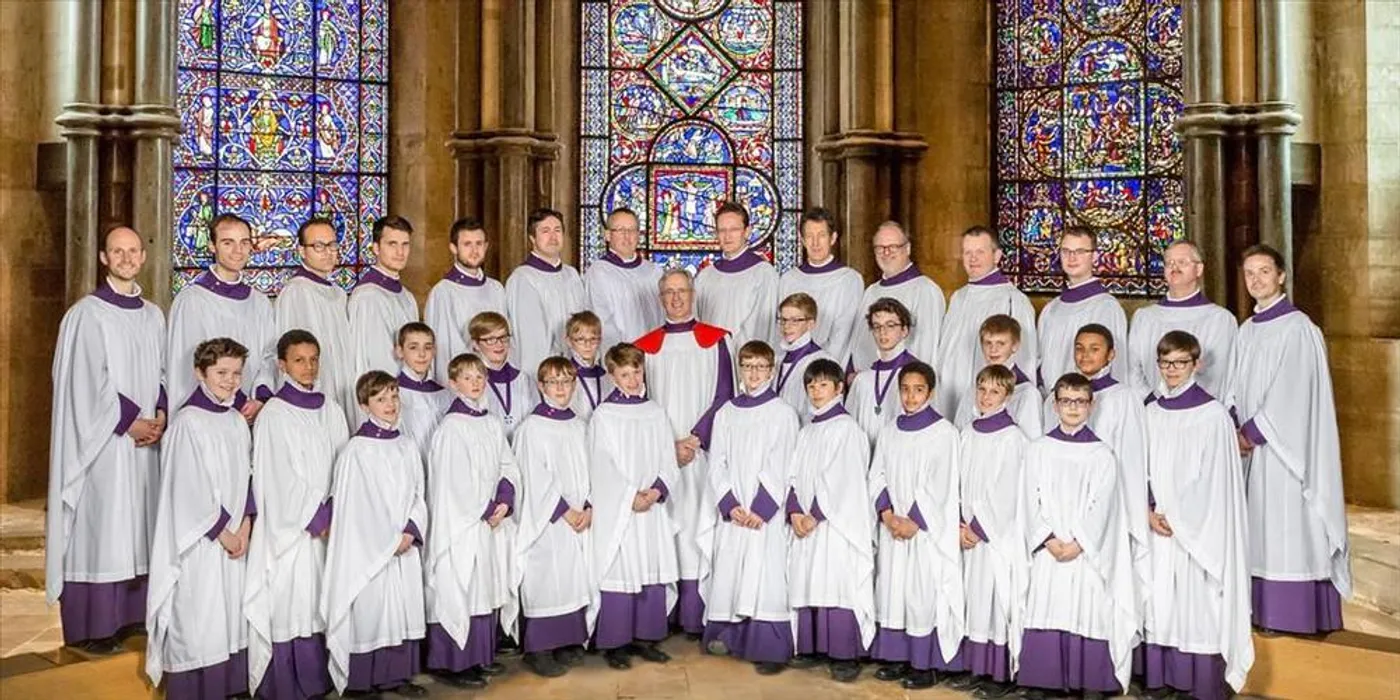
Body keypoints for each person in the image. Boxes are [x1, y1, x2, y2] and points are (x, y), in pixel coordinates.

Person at [47, 225, 167, 654]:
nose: (126, 258)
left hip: (145, 443)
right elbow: (83, 383)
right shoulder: (86, 314)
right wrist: (130, 421)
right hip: (103, 447)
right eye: (117, 251)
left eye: (133, 251)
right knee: (104, 527)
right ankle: (94, 625)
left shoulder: (154, 314)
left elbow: (162, 373)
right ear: (103, 258)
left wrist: (161, 415)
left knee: (139, 526)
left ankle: (133, 617)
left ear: (143, 256)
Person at [1229, 244, 1350, 634]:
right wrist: (1233, 420)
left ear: (1281, 276)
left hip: (1285, 453)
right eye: (1249, 273)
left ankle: (1295, 617)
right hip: (1251, 452)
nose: (1256, 280)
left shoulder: (1299, 327)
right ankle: (1261, 614)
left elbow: (1294, 393)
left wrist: (1251, 432)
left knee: (1288, 529)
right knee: (1259, 530)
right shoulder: (1247, 330)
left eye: (1264, 271)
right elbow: (1233, 384)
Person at [1142, 331, 1254, 700]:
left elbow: (1217, 480)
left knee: (1198, 602)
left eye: (1179, 363)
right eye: (1165, 363)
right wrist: (1147, 508)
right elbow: (1139, 466)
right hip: (1157, 521)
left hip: (1197, 529)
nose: (1172, 370)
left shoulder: (1213, 415)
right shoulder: (1151, 412)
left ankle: (1200, 683)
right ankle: (1163, 680)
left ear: (1196, 364)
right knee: (1160, 601)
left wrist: (1180, 516)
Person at [145, 338, 255, 699]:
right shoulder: (187, 422)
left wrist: (246, 526)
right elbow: (185, 488)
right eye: (221, 373)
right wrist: (223, 531)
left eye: (237, 373)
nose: (230, 381)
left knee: (229, 615)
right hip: (202, 542)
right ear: (199, 373)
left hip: (236, 537)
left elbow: (248, 476)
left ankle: (230, 687)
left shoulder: (238, 422)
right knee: (200, 616)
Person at [1017, 373, 1137, 700]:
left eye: (1079, 401)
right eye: (1066, 401)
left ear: (1091, 404)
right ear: (1054, 405)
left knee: (1089, 609)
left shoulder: (1102, 454)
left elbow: (1104, 505)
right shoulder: (1039, 449)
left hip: (1085, 552)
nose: (1072, 407)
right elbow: (1029, 497)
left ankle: (1091, 681)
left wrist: (1079, 542)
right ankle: (1045, 680)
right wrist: (1047, 538)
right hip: (1049, 548)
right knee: (1047, 605)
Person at [244, 330, 349, 700]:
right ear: (282, 365)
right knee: (292, 602)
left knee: (320, 600)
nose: (308, 367)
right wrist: (315, 516)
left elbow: (345, 465)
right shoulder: (274, 413)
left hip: (328, 525)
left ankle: (319, 680)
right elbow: (276, 475)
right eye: (300, 360)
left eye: (314, 359)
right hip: (292, 532)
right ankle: (286, 685)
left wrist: (335, 507)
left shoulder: (331, 408)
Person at [635, 268, 734, 636]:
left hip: (700, 454)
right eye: (668, 293)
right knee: (664, 531)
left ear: (694, 294)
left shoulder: (716, 340)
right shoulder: (644, 347)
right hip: (663, 458)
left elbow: (724, 395)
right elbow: (642, 403)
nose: (676, 299)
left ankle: (694, 615)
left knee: (696, 528)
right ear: (660, 299)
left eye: (682, 291)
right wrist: (668, 447)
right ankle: (662, 616)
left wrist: (693, 440)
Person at [321, 371, 429, 698]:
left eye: (394, 397)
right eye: (380, 399)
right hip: (370, 552)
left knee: (402, 608)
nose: (389, 404)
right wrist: (389, 540)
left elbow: (418, 494)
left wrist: (410, 529)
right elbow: (355, 508)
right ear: (364, 405)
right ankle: (362, 682)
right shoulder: (356, 450)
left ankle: (397, 676)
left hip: (403, 543)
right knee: (372, 611)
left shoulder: (407, 445)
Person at [1040, 324, 1151, 623]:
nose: (1085, 354)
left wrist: (1133, 511)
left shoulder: (1124, 398)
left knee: (1101, 599)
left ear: (1111, 354)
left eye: (1094, 348)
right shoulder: (1059, 394)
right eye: (1079, 347)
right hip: (1062, 511)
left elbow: (1133, 459)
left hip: (1110, 510)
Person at [702, 341, 800, 675]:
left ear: (771, 370)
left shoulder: (783, 413)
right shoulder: (727, 412)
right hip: (736, 513)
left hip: (763, 515)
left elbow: (782, 461)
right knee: (731, 570)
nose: (754, 373)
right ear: (740, 369)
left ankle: (769, 647)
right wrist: (730, 504)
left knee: (765, 575)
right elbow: (717, 461)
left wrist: (761, 508)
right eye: (747, 366)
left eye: (760, 367)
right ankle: (729, 635)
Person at [424, 353, 520, 690]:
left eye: (480, 376)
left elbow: (507, 465)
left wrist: (506, 498)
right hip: (462, 526)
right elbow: (452, 483)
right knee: (460, 588)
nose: (476, 382)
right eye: (467, 377)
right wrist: (486, 506)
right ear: (453, 384)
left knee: (483, 589)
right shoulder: (451, 428)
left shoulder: (491, 423)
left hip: (488, 521)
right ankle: (452, 663)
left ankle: (479, 657)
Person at [868, 362, 966, 690]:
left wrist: (914, 520)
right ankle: (897, 657)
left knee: (922, 593)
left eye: (918, 389)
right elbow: (877, 473)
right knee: (893, 591)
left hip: (924, 531)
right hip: (893, 525)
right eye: (905, 389)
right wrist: (886, 514)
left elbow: (944, 484)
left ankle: (925, 664)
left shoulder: (944, 433)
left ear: (931, 391)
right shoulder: (890, 430)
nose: (911, 396)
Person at [586, 343, 680, 670]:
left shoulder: (655, 411)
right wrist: (630, 496)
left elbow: (669, 457)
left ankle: (647, 638)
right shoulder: (604, 415)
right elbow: (601, 464)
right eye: (624, 374)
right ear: (612, 376)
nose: (632, 378)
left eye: (636, 371)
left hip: (651, 506)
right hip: (622, 509)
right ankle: (616, 644)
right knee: (622, 569)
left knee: (650, 568)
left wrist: (655, 491)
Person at [786, 358, 875, 683]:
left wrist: (815, 514)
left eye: (823, 384)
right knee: (810, 578)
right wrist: (795, 510)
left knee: (837, 581)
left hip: (835, 524)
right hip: (806, 521)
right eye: (811, 385)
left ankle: (843, 654)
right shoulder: (808, 429)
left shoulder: (848, 430)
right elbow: (792, 474)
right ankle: (811, 647)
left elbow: (845, 480)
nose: (816, 391)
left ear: (839, 388)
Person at [513, 357, 595, 678]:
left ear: (574, 385)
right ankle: (540, 648)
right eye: (553, 382)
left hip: (580, 516)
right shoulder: (532, 428)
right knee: (547, 578)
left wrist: (588, 505)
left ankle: (569, 640)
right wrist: (565, 511)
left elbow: (593, 467)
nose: (561, 388)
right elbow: (534, 480)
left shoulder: (579, 424)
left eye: (566, 382)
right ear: (541, 386)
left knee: (575, 576)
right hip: (549, 520)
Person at [957, 365, 1030, 699]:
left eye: (994, 392)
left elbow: (1008, 491)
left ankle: (998, 673)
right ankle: (975, 666)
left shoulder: (1013, 437)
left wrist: (978, 527)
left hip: (995, 535)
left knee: (995, 598)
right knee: (973, 597)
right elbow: (955, 478)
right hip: (966, 532)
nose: (986, 397)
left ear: (1008, 396)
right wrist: (959, 521)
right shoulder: (968, 432)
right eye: (982, 389)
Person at [166, 213, 276, 421]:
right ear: (212, 246)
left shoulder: (259, 302)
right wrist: (238, 400)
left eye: (244, 242)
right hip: (205, 416)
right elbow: (185, 363)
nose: (238, 250)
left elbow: (268, 356)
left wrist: (260, 398)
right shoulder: (191, 300)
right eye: (228, 243)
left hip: (251, 413)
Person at [935, 226, 1038, 417]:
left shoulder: (1012, 299)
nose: (973, 259)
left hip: (990, 402)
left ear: (997, 255)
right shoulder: (958, 298)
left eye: (980, 252)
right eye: (968, 252)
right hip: (949, 395)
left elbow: (1025, 359)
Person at [1127, 240, 1238, 399]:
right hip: (1152, 413)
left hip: (1201, 413)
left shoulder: (1220, 319)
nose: (1174, 267)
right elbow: (1133, 370)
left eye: (1182, 262)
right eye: (1169, 263)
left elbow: (1222, 375)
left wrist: (1192, 406)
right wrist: (1152, 402)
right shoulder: (1144, 318)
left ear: (1198, 269)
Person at [274, 217, 356, 426]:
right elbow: (293, 352)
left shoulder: (338, 293)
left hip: (342, 386)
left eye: (332, 245)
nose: (328, 252)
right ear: (302, 251)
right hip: (312, 391)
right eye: (319, 246)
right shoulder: (296, 291)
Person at [1035, 226, 1128, 396]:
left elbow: (1117, 365)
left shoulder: (1106, 307)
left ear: (1094, 256)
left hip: (1091, 402)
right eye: (1066, 251)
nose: (1072, 257)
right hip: (1053, 403)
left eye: (1079, 251)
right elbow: (1040, 362)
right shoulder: (1051, 309)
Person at [848, 221, 944, 371]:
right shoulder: (871, 291)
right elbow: (858, 340)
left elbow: (926, 348)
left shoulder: (925, 290)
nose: (886, 253)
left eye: (893, 247)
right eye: (880, 248)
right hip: (867, 382)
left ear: (907, 248)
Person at [424, 217, 509, 385]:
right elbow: (445, 350)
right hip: (465, 384)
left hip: (497, 379)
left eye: (479, 244)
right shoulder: (444, 292)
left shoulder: (496, 288)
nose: (474, 250)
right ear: (453, 248)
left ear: (486, 246)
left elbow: (504, 339)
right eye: (467, 244)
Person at [505, 207, 587, 373]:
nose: (553, 237)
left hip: (576, 370)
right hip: (546, 373)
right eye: (545, 231)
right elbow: (531, 341)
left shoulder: (571, 275)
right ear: (532, 238)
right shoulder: (523, 278)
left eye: (557, 230)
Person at [777, 207, 864, 364]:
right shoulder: (789, 279)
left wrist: (819, 367)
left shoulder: (849, 280)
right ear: (802, 240)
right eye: (809, 236)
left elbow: (843, 334)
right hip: (791, 365)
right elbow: (783, 328)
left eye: (821, 235)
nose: (815, 243)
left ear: (833, 238)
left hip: (828, 369)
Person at [695, 201, 780, 352]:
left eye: (734, 229)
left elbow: (762, 325)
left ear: (747, 231)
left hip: (747, 360)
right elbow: (697, 322)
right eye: (722, 230)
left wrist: (734, 353)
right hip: (711, 357)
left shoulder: (763, 273)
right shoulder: (706, 276)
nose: (727, 236)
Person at [349, 215, 420, 380]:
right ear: (376, 248)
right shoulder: (368, 296)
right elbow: (377, 358)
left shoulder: (406, 296)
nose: (400, 252)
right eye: (392, 244)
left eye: (405, 245)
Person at [583, 207, 663, 348]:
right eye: (620, 230)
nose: (627, 236)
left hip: (654, 354)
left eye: (632, 230)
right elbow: (602, 321)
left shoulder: (654, 271)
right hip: (620, 358)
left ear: (638, 235)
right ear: (608, 235)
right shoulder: (599, 272)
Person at [953, 315, 1042, 438]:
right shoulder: (974, 389)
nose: (993, 350)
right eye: (988, 343)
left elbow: (1031, 439)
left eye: (1001, 343)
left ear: (1015, 346)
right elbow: (959, 429)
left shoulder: (1026, 392)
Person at [848, 298, 918, 442]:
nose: (882, 332)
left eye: (890, 325)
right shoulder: (863, 380)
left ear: (904, 330)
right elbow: (849, 430)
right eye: (876, 326)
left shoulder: (919, 375)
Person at [468, 311, 536, 440]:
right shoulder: (471, 383)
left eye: (503, 338)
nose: (499, 345)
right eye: (490, 340)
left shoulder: (524, 380)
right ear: (475, 344)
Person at [771, 293, 835, 418]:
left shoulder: (822, 361)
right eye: (783, 320)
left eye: (795, 320)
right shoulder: (777, 359)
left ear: (810, 324)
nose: (787, 326)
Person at [394, 322, 450, 459]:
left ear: (435, 351)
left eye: (428, 347)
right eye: (413, 347)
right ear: (400, 351)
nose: (422, 354)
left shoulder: (445, 395)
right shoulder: (393, 394)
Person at [565, 311, 614, 420]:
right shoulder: (564, 376)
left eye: (593, 339)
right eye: (581, 339)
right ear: (569, 341)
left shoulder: (606, 377)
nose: (588, 345)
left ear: (600, 340)